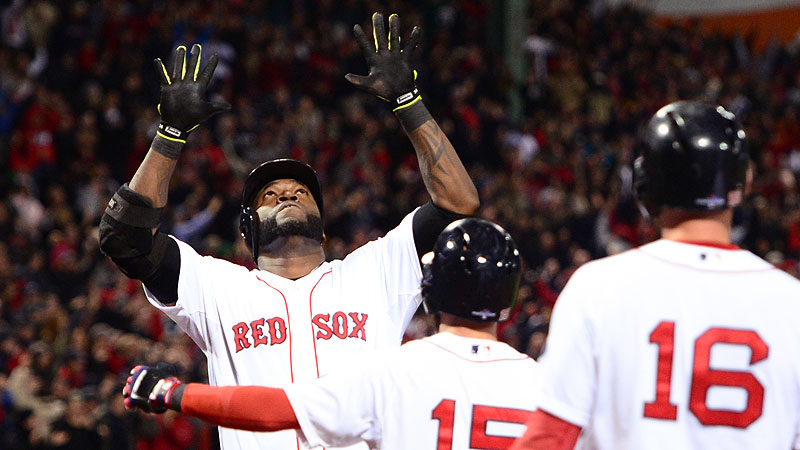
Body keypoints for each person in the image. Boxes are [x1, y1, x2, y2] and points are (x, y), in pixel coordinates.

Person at [98, 12, 479, 449]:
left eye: (301, 191)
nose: (287, 195)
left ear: (323, 224)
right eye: (269, 195)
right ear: (247, 228)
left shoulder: (376, 270)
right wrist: (169, 137)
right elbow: (124, 238)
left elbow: (458, 203)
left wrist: (409, 102)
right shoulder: (216, 287)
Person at [511, 101, 800, 450]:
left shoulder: (599, 286)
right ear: (746, 181)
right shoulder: (791, 301)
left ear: (645, 182)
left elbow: (549, 438)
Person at [123, 218, 538, 449]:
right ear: (511, 299)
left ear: (429, 291)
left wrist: (172, 393)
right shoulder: (543, 381)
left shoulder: (398, 371)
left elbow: (276, 409)